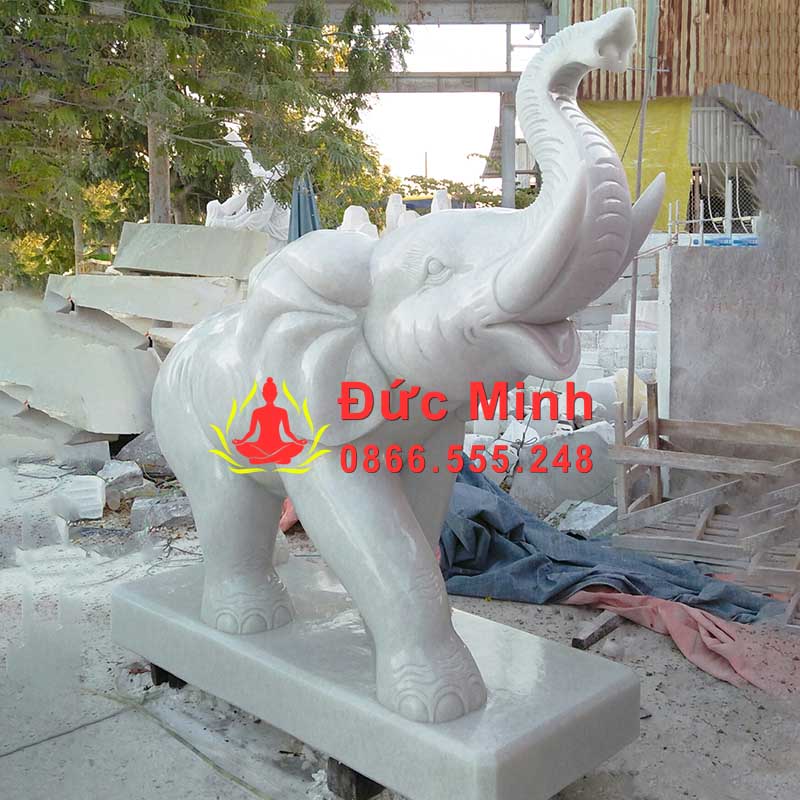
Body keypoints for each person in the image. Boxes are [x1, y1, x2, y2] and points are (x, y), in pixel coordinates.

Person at [232, 378, 307, 464]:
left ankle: (263, 459)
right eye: (267, 393)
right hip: (260, 446)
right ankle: (276, 458)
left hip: (278, 445)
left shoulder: (282, 412)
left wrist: (297, 442)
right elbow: (251, 432)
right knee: (244, 447)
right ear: (263, 394)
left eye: (272, 393)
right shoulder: (257, 412)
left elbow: (287, 432)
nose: (270, 396)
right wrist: (241, 442)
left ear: (276, 394)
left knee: (295, 446)